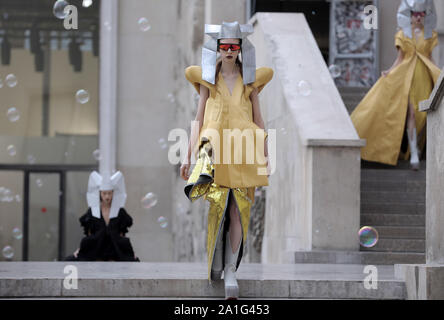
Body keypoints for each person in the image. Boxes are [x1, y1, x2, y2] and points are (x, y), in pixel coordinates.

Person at [180, 21, 273, 299]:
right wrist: (187, 155)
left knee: (238, 210)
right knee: (219, 206)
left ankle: (231, 270)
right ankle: (218, 262)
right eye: (225, 46)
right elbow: (198, 120)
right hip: (215, 150)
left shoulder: (250, 82)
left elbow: (259, 120)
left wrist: (266, 154)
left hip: (244, 149)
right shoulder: (208, 80)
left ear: (241, 49)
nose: (230, 51)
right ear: (218, 49)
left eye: (234, 46)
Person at [350, 0, 440, 170]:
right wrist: (389, 71)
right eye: (415, 14)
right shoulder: (402, 34)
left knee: (424, 115)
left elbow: (430, 58)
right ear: (409, 16)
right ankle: (413, 152)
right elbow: (400, 59)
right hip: (405, 76)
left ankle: (417, 148)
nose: (418, 17)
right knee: (412, 113)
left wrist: (438, 73)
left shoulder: (431, 35)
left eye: (422, 14)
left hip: (423, 76)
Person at [64, 171, 140, 262]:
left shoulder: (120, 212)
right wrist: (80, 249)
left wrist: (129, 252)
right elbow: (89, 233)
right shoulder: (93, 211)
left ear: (113, 193)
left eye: (109, 193)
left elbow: (122, 233)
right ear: (99, 193)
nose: (107, 196)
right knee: (71, 260)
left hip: (115, 248)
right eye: (104, 193)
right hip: (96, 247)